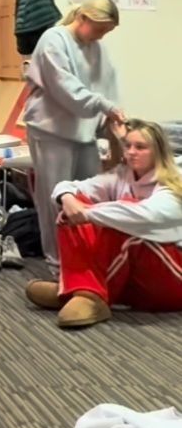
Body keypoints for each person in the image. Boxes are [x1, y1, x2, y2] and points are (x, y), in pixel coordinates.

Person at [26, 120, 182, 329]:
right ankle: (80, 290)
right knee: (70, 212)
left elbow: (147, 216)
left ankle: (80, 293)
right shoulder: (121, 175)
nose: (131, 152)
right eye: (128, 146)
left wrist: (87, 213)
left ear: (158, 151)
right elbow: (67, 186)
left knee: (121, 224)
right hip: (139, 279)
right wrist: (67, 198)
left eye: (140, 147)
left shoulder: (174, 181)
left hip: (172, 279)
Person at [24, 0, 124, 274]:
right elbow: (66, 89)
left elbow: (106, 87)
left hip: (84, 133)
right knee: (55, 198)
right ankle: (58, 263)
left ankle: (85, 258)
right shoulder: (53, 40)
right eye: (100, 29)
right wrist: (104, 106)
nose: (101, 36)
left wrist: (110, 122)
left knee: (88, 197)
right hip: (51, 130)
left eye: (106, 32)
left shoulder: (97, 48)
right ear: (83, 18)